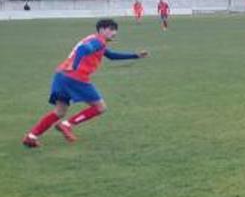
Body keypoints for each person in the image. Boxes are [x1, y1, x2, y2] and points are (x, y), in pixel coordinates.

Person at [21, 19, 149, 149]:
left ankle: (31, 137)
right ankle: (67, 125)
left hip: (60, 75)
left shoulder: (95, 40)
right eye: (110, 29)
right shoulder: (98, 41)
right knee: (100, 107)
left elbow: (111, 55)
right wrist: (75, 66)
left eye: (115, 30)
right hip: (75, 77)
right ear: (101, 29)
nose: (114, 33)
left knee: (59, 111)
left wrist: (135, 55)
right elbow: (82, 50)